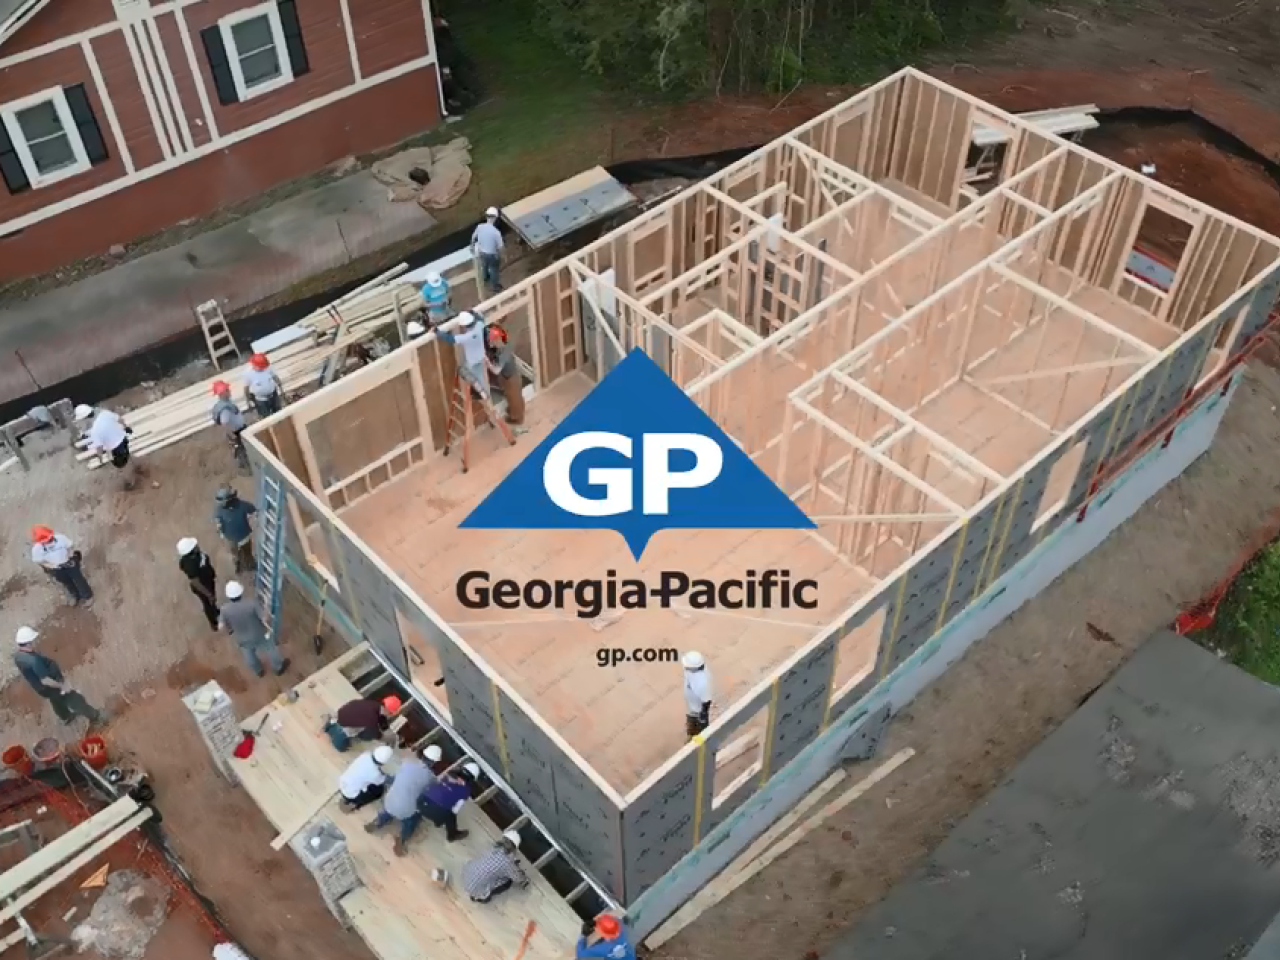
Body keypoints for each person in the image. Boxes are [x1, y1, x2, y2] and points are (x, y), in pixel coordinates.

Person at [14, 626, 104, 727]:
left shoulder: (18, 656)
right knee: (73, 698)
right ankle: (96, 716)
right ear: (28, 643)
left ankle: (65, 716)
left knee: (55, 699)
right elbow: (45, 680)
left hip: (39, 688)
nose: (34, 642)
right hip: (50, 684)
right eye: (32, 640)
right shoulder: (34, 661)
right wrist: (62, 686)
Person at [365, 744, 444, 856]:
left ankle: (378, 821)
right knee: (414, 818)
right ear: (435, 762)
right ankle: (402, 839)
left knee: (391, 807)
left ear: (423, 755)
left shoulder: (407, 762)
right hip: (406, 811)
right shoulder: (431, 778)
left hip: (389, 801)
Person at [219, 580, 288, 678]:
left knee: (249, 655)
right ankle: (278, 667)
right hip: (259, 634)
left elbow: (221, 627)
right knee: (271, 649)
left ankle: (258, 670)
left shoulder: (224, 609)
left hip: (241, 637)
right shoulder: (252, 604)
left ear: (228, 596)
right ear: (241, 592)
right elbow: (265, 618)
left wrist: (229, 630)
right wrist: (267, 606)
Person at [75, 403, 139, 489]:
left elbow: (99, 447)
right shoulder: (105, 413)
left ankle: (130, 482)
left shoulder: (95, 430)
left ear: (85, 418)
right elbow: (119, 419)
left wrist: (100, 458)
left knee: (121, 466)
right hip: (123, 439)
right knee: (127, 454)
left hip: (115, 448)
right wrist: (126, 427)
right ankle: (136, 467)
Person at [437, 312, 492, 409]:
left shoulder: (466, 337)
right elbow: (481, 319)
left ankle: (482, 393)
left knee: (461, 370)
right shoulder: (479, 326)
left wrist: (437, 332)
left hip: (472, 363)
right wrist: (473, 312)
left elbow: (450, 339)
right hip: (481, 358)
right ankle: (484, 394)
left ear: (464, 326)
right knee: (481, 378)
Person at [30, 526, 92, 607]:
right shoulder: (37, 549)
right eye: (44, 541)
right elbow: (39, 561)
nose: (48, 541)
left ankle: (87, 596)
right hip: (56, 569)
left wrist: (71, 557)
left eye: (49, 538)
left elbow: (70, 546)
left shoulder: (61, 539)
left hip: (69, 564)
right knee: (67, 582)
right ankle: (75, 596)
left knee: (79, 579)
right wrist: (50, 566)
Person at [461, 830, 529, 904]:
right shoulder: (507, 863)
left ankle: (475, 892)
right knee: (508, 882)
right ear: (514, 848)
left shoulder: (492, 846)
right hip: (476, 890)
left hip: (466, 876)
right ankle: (482, 898)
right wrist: (523, 876)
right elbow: (518, 878)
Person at [416, 763, 478, 842]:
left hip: (420, 803)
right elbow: (455, 810)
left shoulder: (448, 775)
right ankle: (452, 835)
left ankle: (420, 813)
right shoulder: (466, 790)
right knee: (450, 815)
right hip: (436, 813)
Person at [484, 323, 526, 430]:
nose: (490, 343)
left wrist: (487, 362)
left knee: (514, 397)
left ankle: (517, 419)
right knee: (514, 396)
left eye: (491, 341)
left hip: (511, 378)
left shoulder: (504, 353)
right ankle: (516, 410)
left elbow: (496, 370)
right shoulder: (503, 346)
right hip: (509, 375)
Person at [177, 537, 219, 630]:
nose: (197, 545)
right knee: (208, 603)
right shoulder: (191, 565)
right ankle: (213, 622)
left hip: (208, 581)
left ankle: (215, 611)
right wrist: (208, 594)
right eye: (194, 546)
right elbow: (196, 582)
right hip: (204, 587)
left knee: (212, 602)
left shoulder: (196, 556)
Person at [214, 486, 257, 574]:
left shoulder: (242, 505)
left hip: (244, 536)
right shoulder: (220, 509)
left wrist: (253, 520)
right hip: (230, 537)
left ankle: (250, 564)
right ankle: (238, 564)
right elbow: (218, 519)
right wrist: (219, 527)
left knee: (247, 552)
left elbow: (253, 510)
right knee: (234, 553)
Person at [339, 745, 393, 812]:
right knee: (379, 790)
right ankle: (355, 804)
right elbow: (382, 780)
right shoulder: (375, 774)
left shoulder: (365, 755)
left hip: (343, 784)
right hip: (352, 795)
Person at [210, 381, 248, 467]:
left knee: (243, 449)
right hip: (236, 432)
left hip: (239, 430)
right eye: (227, 390)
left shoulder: (227, 403)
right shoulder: (224, 409)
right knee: (242, 450)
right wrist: (232, 435)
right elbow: (225, 424)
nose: (229, 391)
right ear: (222, 393)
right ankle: (245, 466)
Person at [336, 695, 401, 741]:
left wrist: (385, 727)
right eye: (391, 713)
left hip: (341, 714)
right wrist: (390, 738)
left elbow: (381, 717)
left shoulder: (372, 702)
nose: (390, 715)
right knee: (369, 735)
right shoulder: (372, 719)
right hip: (343, 727)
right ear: (388, 711)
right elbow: (377, 735)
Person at [471, 207, 504, 294]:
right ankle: (495, 286)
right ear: (495, 218)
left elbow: (473, 237)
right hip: (492, 254)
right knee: (493, 270)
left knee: (484, 265)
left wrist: (472, 246)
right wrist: (502, 256)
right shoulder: (496, 232)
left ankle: (485, 277)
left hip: (481, 252)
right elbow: (501, 247)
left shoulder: (480, 227)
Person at [243, 353, 285, 418]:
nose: (263, 368)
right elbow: (246, 389)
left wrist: (281, 390)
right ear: (254, 365)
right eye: (261, 367)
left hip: (273, 395)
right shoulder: (248, 373)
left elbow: (275, 377)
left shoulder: (268, 367)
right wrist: (248, 402)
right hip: (261, 400)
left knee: (279, 414)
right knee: (267, 418)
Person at [683, 651, 713, 738]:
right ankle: (692, 737)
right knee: (692, 727)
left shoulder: (702, 683)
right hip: (692, 708)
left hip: (697, 712)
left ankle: (702, 748)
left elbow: (706, 700)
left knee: (700, 734)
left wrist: (702, 717)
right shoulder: (691, 671)